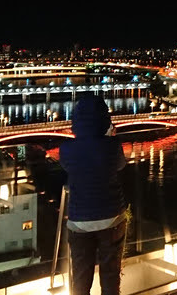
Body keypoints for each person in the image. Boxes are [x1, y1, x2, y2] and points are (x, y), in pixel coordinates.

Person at [60, 94, 127, 295]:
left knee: (80, 278)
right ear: (104, 120)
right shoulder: (113, 146)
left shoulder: (66, 149)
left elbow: (68, 167)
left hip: (79, 220)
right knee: (110, 276)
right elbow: (120, 165)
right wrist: (109, 136)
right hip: (111, 217)